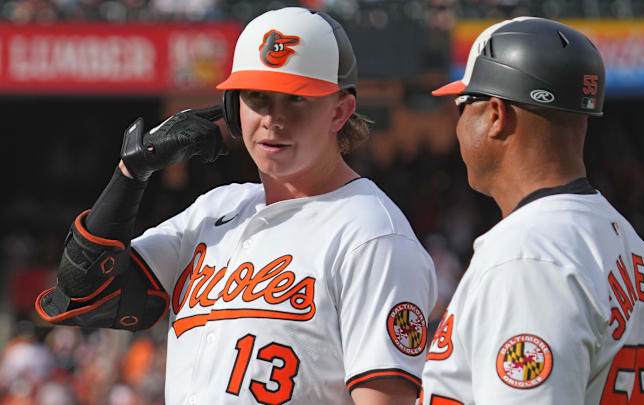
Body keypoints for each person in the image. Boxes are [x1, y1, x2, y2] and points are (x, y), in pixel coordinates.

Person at [36, 7, 437, 405]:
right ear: (232, 107)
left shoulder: (372, 234)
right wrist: (131, 172)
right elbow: (86, 293)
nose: (272, 118)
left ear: (339, 111)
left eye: (295, 100)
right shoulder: (215, 210)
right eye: (256, 97)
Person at [420, 17, 644, 404]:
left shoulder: (528, 257)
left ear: (495, 114)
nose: (456, 127)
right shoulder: (636, 251)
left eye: (462, 106)